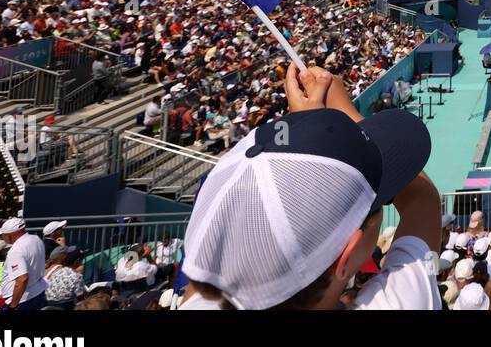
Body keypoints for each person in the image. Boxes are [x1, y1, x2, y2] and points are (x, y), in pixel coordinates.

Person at [178, 63, 440, 310]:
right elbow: (422, 200)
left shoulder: (200, 300)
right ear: (345, 258)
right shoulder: (403, 301)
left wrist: (312, 135)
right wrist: (337, 116)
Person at [0, 218, 49, 310]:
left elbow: (22, 279)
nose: (2, 238)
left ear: (9, 235)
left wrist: (13, 306)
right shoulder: (36, 239)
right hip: (38, 291)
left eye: (3, 235)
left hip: (23, 300)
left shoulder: (15, 251)